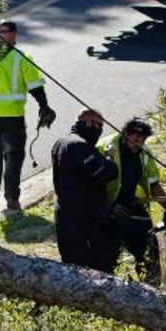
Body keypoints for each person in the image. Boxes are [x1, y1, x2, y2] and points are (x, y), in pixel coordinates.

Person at [0, 19, 56, 211]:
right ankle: (12, 200)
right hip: (13, 118)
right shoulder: (21, 57)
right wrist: (44, 106)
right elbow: (35, 86)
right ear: (14, 35)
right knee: (13, 159)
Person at [97, 117, 166, 286]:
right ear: (125, 135)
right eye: (134, 140)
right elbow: (91, 186)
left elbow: (153, 184)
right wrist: (112, 207)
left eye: (141, 141)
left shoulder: (143, 153)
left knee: (149, 250)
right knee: (107, 259)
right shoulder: (106, 149)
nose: (137, 145)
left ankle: (153, 290)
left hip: (131, 206)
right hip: (104, 210)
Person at [51, 109, 118, 273]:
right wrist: (110, 157)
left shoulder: (61, 142)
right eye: (99, 126)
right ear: (89, 123)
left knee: (73, 269)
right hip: (85, 219)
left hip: (65, 215)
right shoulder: (80, 146)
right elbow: (105, 173)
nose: (99, 131)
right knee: (96, 269)